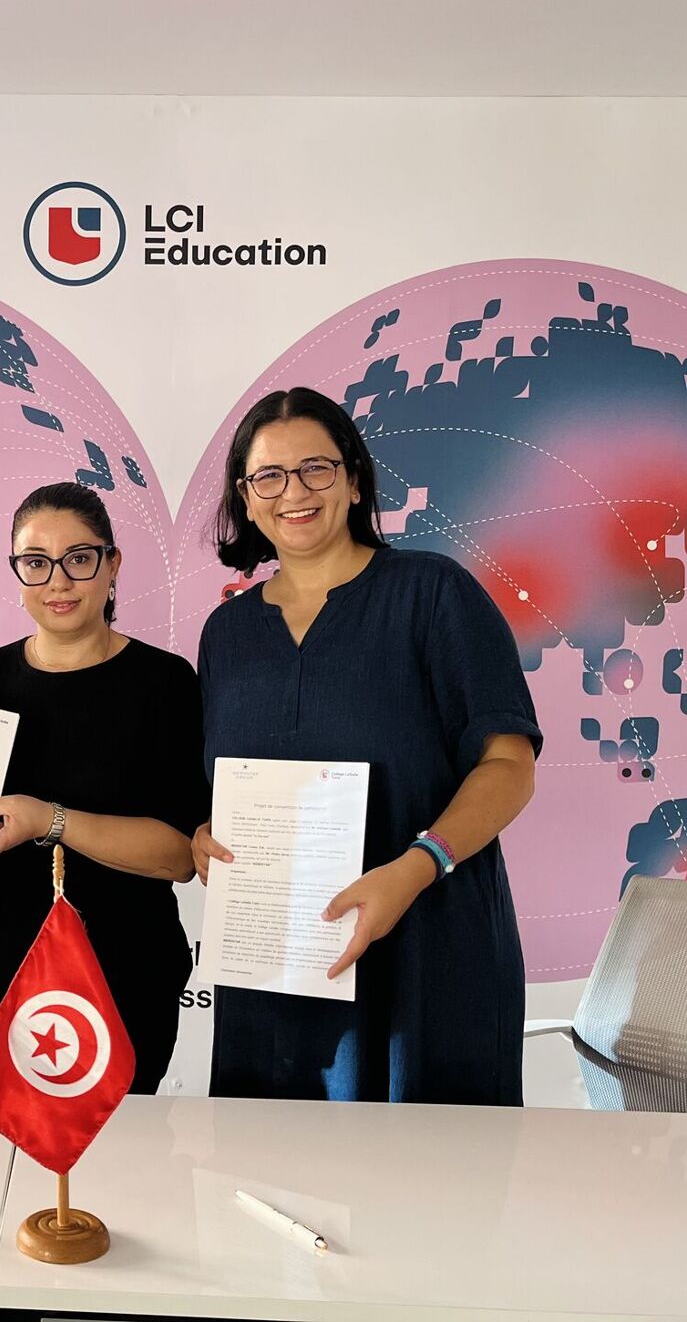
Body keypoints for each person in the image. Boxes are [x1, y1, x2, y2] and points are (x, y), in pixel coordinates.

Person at [194, 388, 540, 1104]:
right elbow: (226, 786)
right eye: (270, 477)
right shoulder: (225, 635)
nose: (295, 492)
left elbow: (509, 768)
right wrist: (206, 835)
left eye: (316, 469)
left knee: (431, 1195)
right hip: (278, 973)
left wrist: (417, 866)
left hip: (428, 958)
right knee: (270, 1182)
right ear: (247, 499)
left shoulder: (434, 595)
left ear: (354, 480)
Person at [0, 483, 207, 1092]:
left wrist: (50, 819)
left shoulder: (164, 683)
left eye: (80, 558)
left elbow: (179, 856)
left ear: (112, 564)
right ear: (17, 572)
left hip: (122, 980)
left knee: (114, 1172)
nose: (59, 581)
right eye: (36, 563)